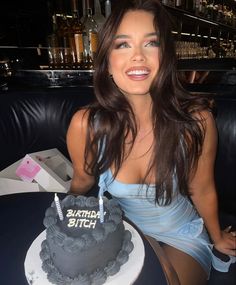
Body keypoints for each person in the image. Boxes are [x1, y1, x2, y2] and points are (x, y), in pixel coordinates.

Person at [66, 0, 236, 284]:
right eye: (122, 45)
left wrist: (217, 236)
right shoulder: (86, 125)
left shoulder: (196, 122)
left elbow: (202, 188)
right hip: (122, 232)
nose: (137, 57)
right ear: (107, 62)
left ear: (166, 56)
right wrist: (63, 218)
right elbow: (82, 182)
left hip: (181, 237)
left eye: (151, 43)